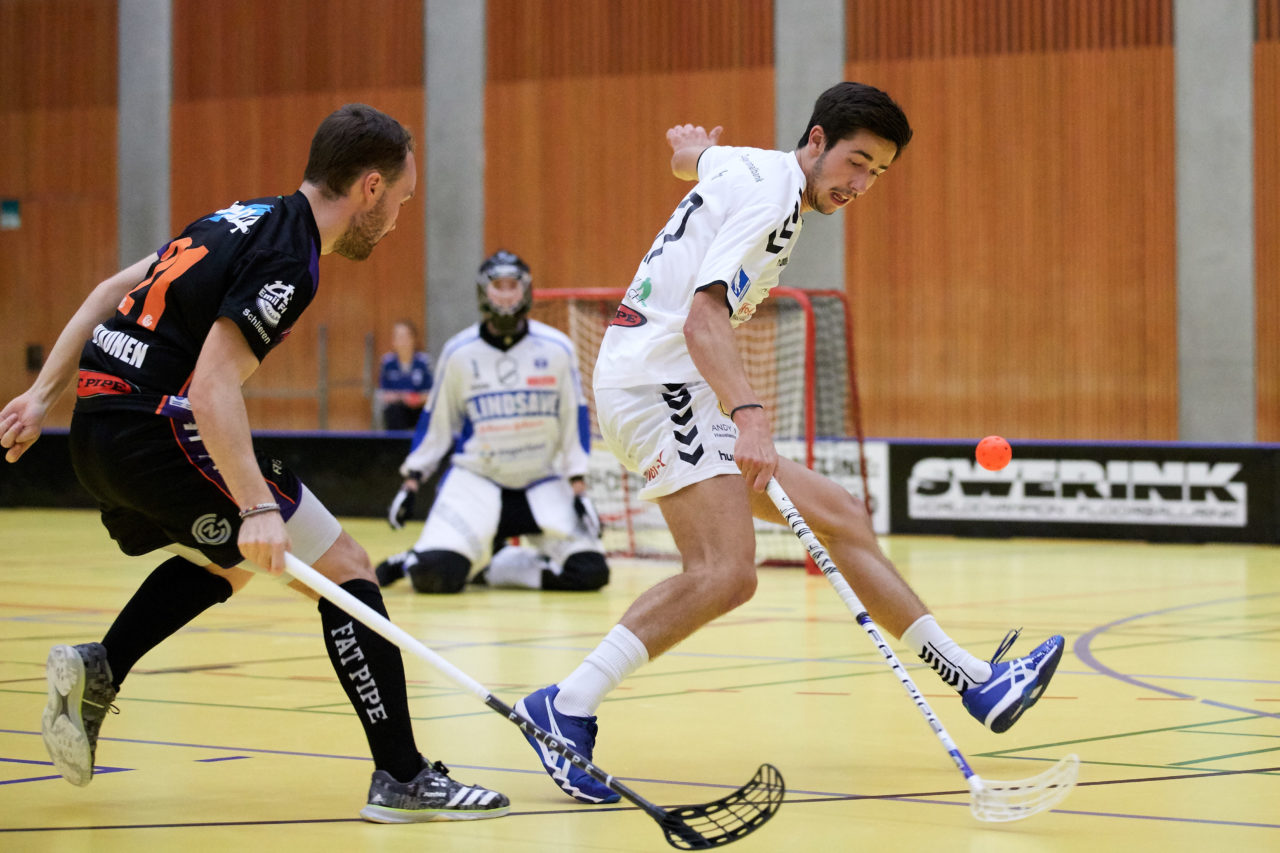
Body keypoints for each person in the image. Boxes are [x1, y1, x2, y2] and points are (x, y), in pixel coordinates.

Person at [514, 82, 1066, 804]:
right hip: (659, 383)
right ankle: (565, 705)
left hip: (671, 381)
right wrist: (750, 415)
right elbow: (704, 319)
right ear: (816, 141)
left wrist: (689, 151)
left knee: (840, 515)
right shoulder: (774, 200)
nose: (861, 185)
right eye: (856, 162)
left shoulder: (749, 164)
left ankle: (974, 681)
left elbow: (696, 161)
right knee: (726, 572)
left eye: (878, 173)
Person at [0, 104, 509, 822]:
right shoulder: (289, 260)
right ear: (369, 188)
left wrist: (39, 396)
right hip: (156, 431)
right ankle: (402, 775)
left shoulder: (239, 217)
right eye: (400, 200)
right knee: (347, 569)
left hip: (95, 432)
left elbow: (107, 295)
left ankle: (101, 667)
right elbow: (213, 386)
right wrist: (257, 504)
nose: (398, 220)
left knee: (233, 561)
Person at [378, 250, 610, 595]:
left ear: (526, 290)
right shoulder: (459, 352)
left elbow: (573, 421)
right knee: (435, 575)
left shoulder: (558, 349)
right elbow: (436, 423)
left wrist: (579, 489)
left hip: (541, 479)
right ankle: (413, 559)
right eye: (497, 286)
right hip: (478, 481)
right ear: (482, 292)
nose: (505, 294)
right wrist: (412, 481)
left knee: (590, 572)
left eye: (512, 285)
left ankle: (498, 567)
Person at [378, 319, 432, 430]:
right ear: (393, 341)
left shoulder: (424, 362)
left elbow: (432, 393)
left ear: (413, 339)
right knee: (394, 411)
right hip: (397, 410)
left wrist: (417, 399)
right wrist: (403, 397)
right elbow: (383, 394)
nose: (403, 341)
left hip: (419, 408)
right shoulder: (387, 362)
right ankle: (395, 441)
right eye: (399, 337)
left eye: (406, 337)